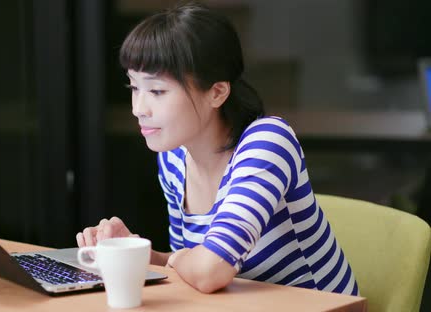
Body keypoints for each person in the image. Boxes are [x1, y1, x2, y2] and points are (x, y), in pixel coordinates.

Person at [76, 2, 359, 295]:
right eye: (134, 88)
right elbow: (190, 265)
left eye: (157, 91)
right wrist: (137, 250)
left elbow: (210, 271)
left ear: (217, 92)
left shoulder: (267, 143)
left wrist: (182, 259)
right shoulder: (173, 158)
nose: (138, 109)